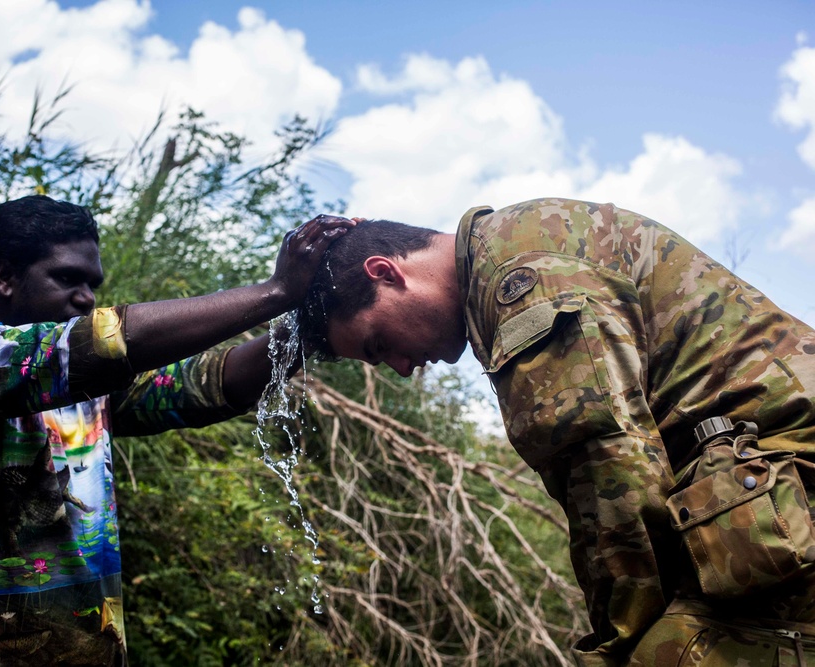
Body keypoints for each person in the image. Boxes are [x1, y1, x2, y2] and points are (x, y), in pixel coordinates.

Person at [297, 197, 815, 666]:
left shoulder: (519, 283)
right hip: (763, 476)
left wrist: (618, 645)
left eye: (378, 344)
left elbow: (613, 480)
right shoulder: (511, 246)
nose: (402, 366)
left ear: (385, 272)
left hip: (787, 477)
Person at [0, 194, 354, 666]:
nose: (87, 297)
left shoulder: (83, 386)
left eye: (93, 283)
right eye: (67, 278)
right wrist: (275, 292)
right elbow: (95, 345)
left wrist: (308, 329)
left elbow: (198, 387)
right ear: (4, 276)